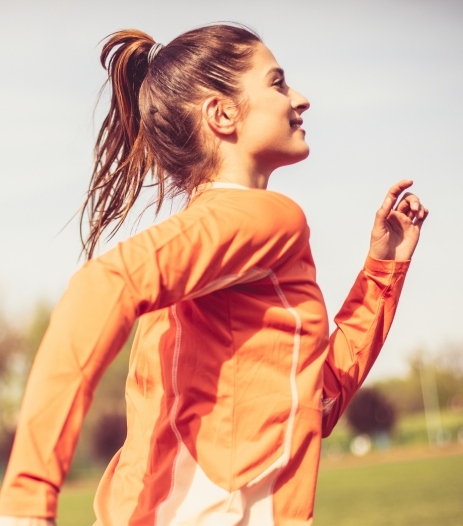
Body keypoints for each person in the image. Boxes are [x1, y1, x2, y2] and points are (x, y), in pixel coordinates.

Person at [0, 24, 428, 526]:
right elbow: (101, 284)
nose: (301, 98)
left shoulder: (211, 259)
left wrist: (382, 273)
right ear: (222, 114)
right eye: (277, 83)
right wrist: (27, 498)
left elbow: (314, 403)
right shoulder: (269, 217)